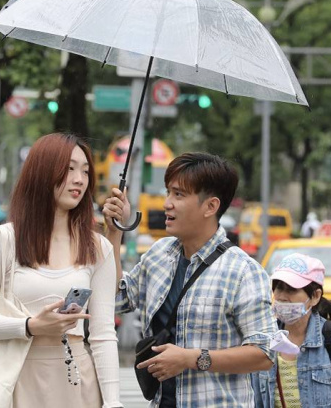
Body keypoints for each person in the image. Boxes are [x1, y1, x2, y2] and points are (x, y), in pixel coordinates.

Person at [0, 133, 122, 408]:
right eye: (69, 169)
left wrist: (113, 401)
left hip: (77, 382)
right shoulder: (2, 240)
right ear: (42, 173)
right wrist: (30, 326)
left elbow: (104, 333)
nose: (80, 179)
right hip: (14, 378)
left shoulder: (98, 247)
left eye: (84, 171)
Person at [104, 152, 277, 407]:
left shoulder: (243, 271)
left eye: (179, 194)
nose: (167, 203)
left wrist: (191, 358)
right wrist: (114, 231)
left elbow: (264, 353)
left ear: (211, 206)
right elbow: (115, 300)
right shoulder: (158, 255)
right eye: (168, 193)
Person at [252, 253, 331, 408]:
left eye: (291, 290)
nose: (281, 297)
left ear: (315, 296)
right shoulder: (265, 340)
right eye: (279, 288)